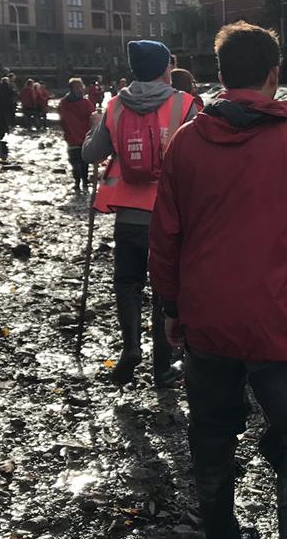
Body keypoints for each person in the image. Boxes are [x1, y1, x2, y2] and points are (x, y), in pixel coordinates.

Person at [150, 21, 287, 539]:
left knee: (213, 436)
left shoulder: (185, 145)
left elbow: (165, 238)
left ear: (220, 75)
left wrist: (172, 308)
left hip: (208, 318)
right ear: (274, 75)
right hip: (280, 320)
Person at [83, 40, 200, 387]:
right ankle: (163, 367)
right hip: (169, 216)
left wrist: (94, 126)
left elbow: (91, 154)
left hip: (128, 214)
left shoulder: (116, 106)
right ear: (165, 68)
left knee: (127, 282)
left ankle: (131, 347)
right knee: (165, 287)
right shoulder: (185, 104)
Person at [58, 77, 96, 193]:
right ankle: (84, 182)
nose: (80, 89)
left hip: (71, 137)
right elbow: (93, 118)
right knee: (83, 161)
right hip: (84, 136)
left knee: (75, 161)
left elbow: (61, 119)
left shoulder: (64, 103)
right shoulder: (85, 103)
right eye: (78, 87)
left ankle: (77, 183)